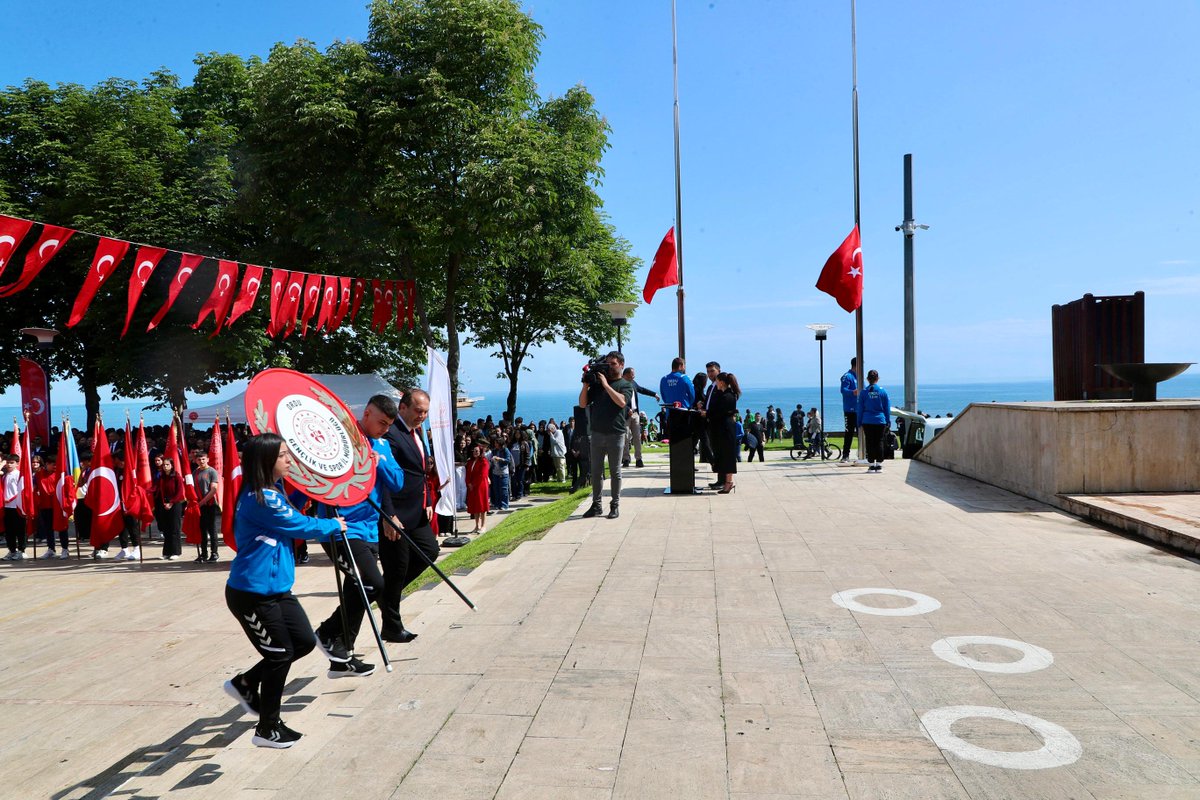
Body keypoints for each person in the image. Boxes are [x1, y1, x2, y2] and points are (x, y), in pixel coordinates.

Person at [222, 433, 347, 749]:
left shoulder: (274, 490)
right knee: (279, 654)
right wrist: (334, 526)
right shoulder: (260, 499)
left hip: (278, 590)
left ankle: (246, 682)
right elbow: (300, 526)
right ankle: (267, 727)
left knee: (304, 642)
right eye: (283, 455)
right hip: (252, 593)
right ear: (265, 461)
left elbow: (303, 491)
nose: (290, 459)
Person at [312, 394, 405, 678]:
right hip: (339, 527)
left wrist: (379, 462)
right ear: (366, 413)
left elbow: (398, 482)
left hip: (368, 528)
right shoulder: (339, 438)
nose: (385, 429)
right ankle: (328, 633)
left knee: (359, 589)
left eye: (389, 424)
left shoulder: (382, 445)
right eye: (381, 423)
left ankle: (343, 656)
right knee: (372, 584)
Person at [380, 388, 440, 645]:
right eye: (418, 411)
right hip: (397, 513)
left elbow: (420, 471)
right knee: (396, 570)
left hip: (417, 510)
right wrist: (388, 513)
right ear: (402, 407)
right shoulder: (391, 434)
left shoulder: (416, 433)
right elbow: (383, 477)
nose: (422, 416)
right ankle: (392, 626)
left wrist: (427, 499)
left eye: (425, 411)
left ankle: (385, 595)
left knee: (430, 551)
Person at [578, 351, 634, 519]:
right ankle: (596, 505)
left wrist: (606, 385)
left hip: (615, 433)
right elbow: (582, 404)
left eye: (613, 364)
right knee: (596, 471)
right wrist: (586, 385)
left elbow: (622, 402)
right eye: (607, 364)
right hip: (596, 433)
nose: (609, 367)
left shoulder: (625, 384)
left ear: (621, 365)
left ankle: (614, 505)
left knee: (615, 472)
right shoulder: (598, 384)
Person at [708, 372, 741, 493]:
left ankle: (729, 482)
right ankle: (727, 482)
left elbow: (720, 413)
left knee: (728, 455)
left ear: (721, 382)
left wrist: (707, 414)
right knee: (723, 454)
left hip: (726, 428)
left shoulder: (727, 396)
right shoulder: (724, 394)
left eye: (717, 381)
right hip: (722, 427)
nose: (715, 383)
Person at [620, 367, 659, 468]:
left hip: (635, 414)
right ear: (627, 374)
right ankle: (626, 459)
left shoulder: (633, 383)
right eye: (633, 374)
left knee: (637, 437)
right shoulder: (620, 384)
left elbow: (642, 389)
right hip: (625, 415)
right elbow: (619, 400)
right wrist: (627, 408)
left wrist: (654, 394)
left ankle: (639, 459)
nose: (634, 375)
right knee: (626, 437)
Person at [858, 369, 892, 473]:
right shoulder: (883, 392)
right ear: (878, 379)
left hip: (867, 420)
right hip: (880, 420)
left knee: (869, 441)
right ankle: (879, 464)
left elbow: (860, 408)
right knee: (879, 441)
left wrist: (859, 421)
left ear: (868, 379)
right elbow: (887, 407)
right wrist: (888, 420)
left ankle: (872, 463)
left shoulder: (864, 392)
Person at [155, 455, 184, 560]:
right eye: (164, 465)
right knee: (166, 529)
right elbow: (156, 489)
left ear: (172, 465)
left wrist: (171, 503)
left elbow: (180, 493)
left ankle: (176, 552)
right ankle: (166, 552)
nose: (165, 466)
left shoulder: (177, 477)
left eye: (167, 464)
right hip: (164, 504)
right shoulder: (162, 477)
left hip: (175, 504)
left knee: (174, 528)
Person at [194, 453, 221, 563]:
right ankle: (203, 553)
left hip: (209, 505)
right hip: (199, 505)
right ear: (196, 461)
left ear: (208, 459)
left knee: (212, 530)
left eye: (203, 459)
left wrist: (202, 502)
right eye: (199, 459)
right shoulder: (195, 472)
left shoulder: (212, 471)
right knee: (202, 530)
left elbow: (213, 489)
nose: (201, 461)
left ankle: (214, 553)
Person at [34, 454, 58, 558]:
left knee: (62, 528)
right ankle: (51, 549)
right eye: (53, 464)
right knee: (48, 528)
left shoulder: (59, 474)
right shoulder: (39, 474)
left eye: (56, 464)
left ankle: (65, 548)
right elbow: (34, 487)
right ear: (47, 464)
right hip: (44, 505)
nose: (55, 466)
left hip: (57, 505)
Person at [2, 453, 25, 561]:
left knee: (19, 530)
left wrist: (10, 499)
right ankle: (12, 550)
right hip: (6, 507)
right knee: (9, 530)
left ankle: (21, 550)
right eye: (8, 462)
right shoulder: (5, 475)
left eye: (12, 463)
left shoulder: (18, 474)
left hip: (16, 506)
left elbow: (20, 490)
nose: (9, 465)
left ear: (17, 463)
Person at [465, 444, 490, 532]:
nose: (475, 452)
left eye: (477, 451)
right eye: (474, 451)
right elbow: (467, 473)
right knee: (475, 506)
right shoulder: (470, 462)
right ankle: (477, 525)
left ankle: (483, 525)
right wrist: (468, 483)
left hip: (480, 486)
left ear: (480, 452)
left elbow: (482, 475)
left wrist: (473, 484)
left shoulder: (484, 461)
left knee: (482, 506)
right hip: (472, 487)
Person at [840, 357, 859, 462]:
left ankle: (863, 453)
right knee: (849, 432)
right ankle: (845, 455)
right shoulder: (847, 376)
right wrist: (853, 392)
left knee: (861, 432)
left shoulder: (859, 377)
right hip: (850, 410)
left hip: (859, 409)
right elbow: (843, 390)